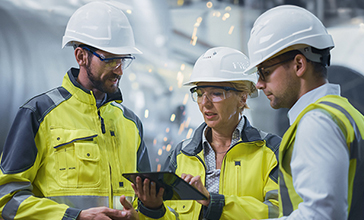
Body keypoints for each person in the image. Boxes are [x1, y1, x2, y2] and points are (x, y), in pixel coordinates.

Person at [0, 2, 150, 220]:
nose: (119, 70)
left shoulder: (131, 123)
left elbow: (145, 203)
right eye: (110, 60)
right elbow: (6, 198)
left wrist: (145, 213)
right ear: (81, 56)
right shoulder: (39, 114)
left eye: (123, 60)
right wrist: (75, 216)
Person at [245, 5, 364, 220]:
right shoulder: (346, 114)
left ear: (299, 64)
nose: (260, 84)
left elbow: (322, 214)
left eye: (265, 72)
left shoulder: (316, 123)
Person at [133, 47, 281, 220]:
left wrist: (214, 202)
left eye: (216, 94)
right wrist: (153, 209)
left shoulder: (270, 151)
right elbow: (171, 215)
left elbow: (278, 212)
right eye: (200, 93)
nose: (205, 103)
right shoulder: (182, 154)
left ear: (243, 98)